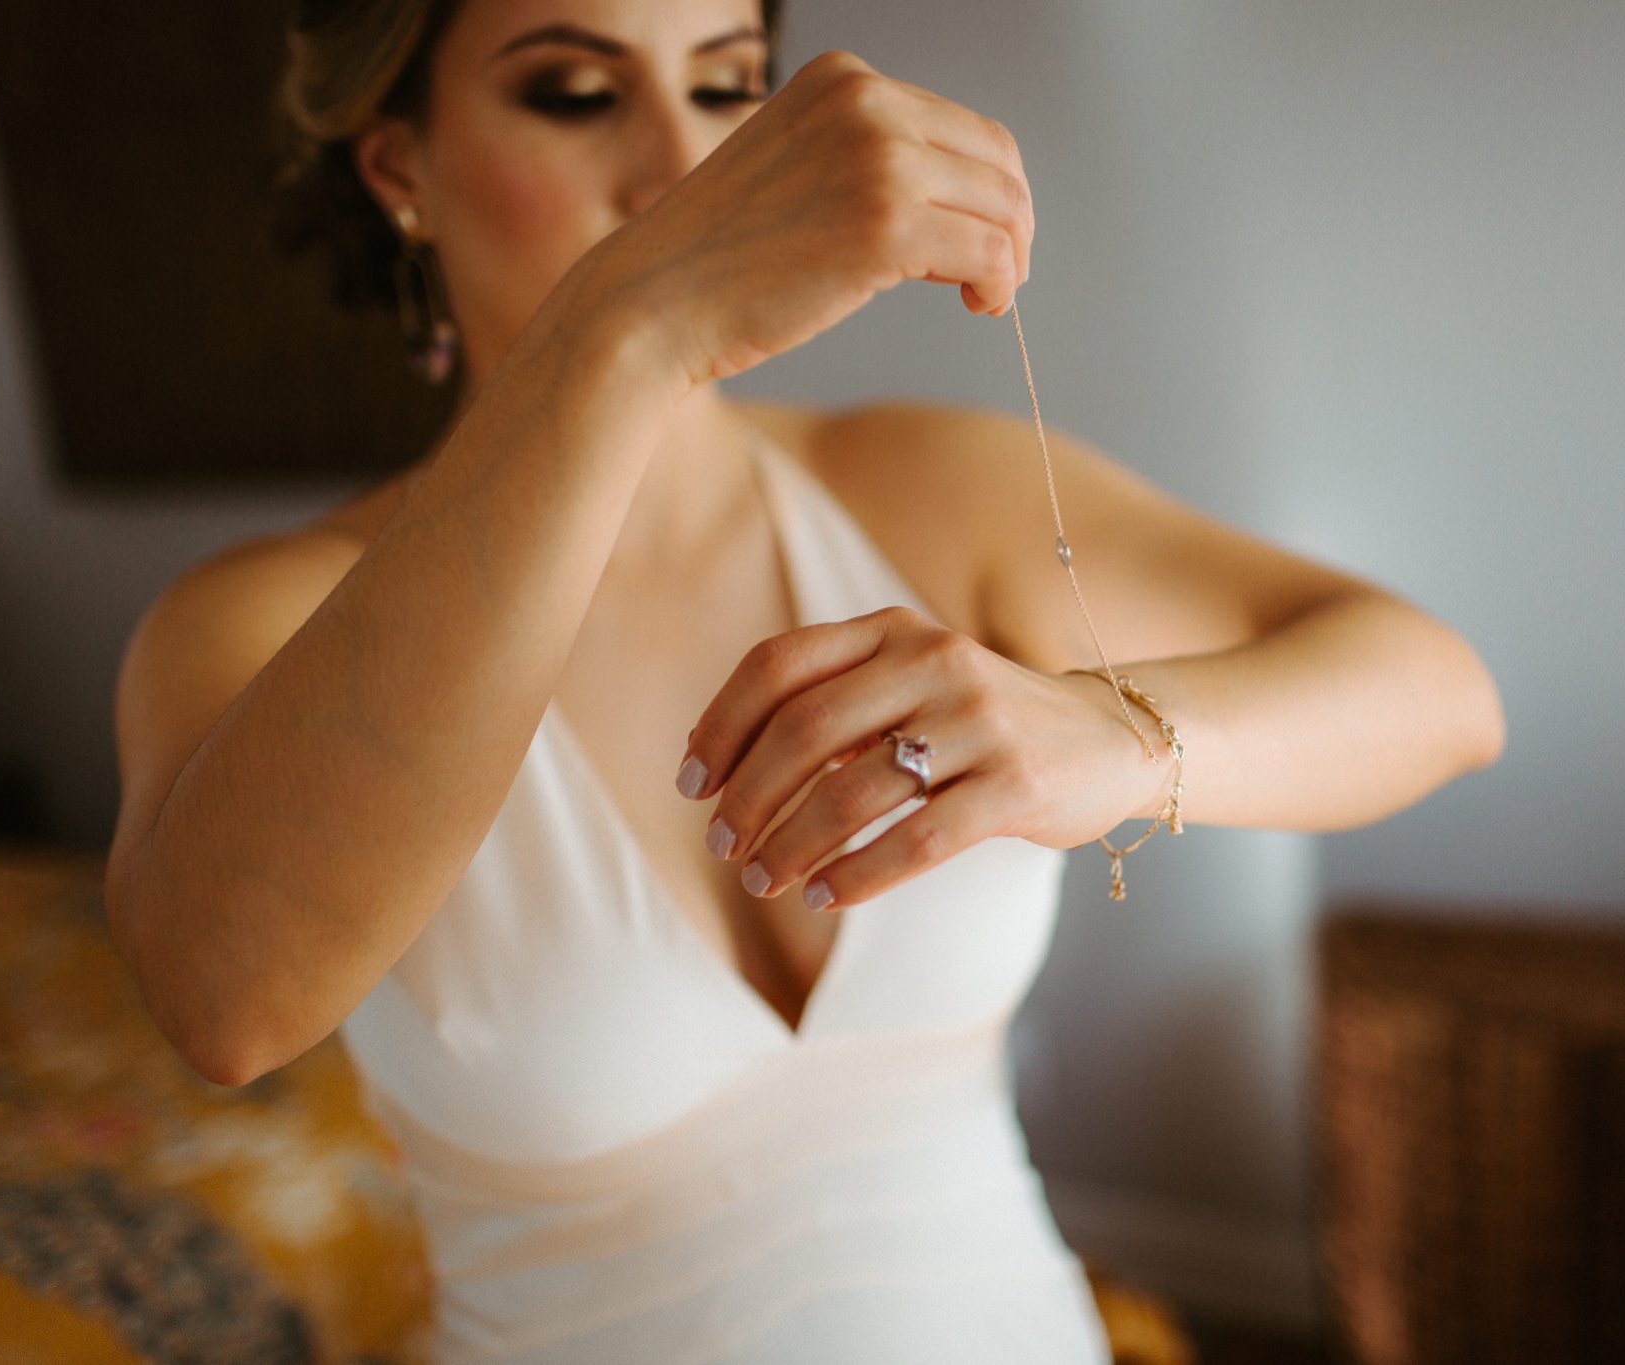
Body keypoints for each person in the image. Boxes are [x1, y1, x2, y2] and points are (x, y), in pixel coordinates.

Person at [102, 0, 1508, 1359]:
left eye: (723, 82)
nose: (677, 165)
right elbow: (228, 1002)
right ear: (398, 163)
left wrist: (1120, 735)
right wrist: (628, 328)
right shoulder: (267, 616)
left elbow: (1439, 690)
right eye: (576, 91)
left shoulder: (919, 488)